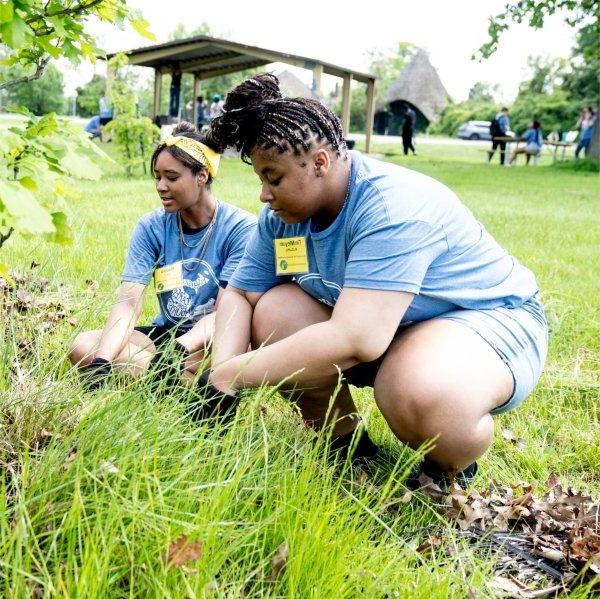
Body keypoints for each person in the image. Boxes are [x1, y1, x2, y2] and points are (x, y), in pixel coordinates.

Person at [200, 74, 547, 488]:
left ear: (320, 163)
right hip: (389, 324)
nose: (264, 195)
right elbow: (240, 292)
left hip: (482, 320)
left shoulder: (391, 206)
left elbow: (357, 337)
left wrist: (230, 376)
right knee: (274, 310)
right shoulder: (280, 219)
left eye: (273, 178)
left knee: (417, 388)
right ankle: (345, 445)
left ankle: (448, 462)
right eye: (261, 180)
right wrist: (219, 374)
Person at [68, 122, 256, 394]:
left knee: (213, 358)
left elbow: (226, 313)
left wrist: (181, 348)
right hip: (166, 337)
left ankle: (181, 379)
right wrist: (102, 361)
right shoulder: (150, 227)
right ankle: (180, 385)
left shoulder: (241, 228)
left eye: (172, 177)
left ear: (201, 176)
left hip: (211, 340)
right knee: (82, 346)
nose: (161, 186)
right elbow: (128, 302)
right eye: (157, 176)